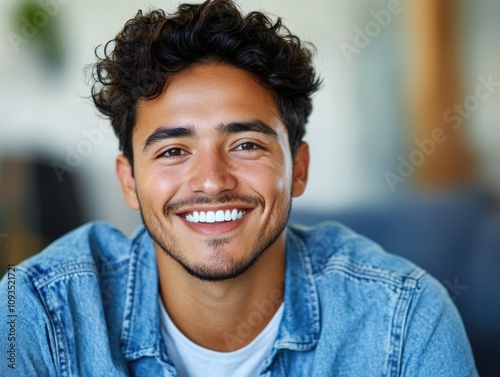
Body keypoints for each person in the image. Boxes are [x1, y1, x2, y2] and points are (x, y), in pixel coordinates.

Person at [0, 0, 478, 376]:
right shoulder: (34, 309)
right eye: (173, 151)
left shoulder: (406, 317)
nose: (212, 180)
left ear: (300, 168)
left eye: (246, 144)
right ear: (128, 181)